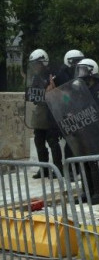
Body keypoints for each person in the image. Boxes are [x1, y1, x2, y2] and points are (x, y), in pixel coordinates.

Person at [73, 58, 99, 205]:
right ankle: (87, 192)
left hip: (95, 130)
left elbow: (97, 110)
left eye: (84, 70)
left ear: (92, 72)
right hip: (84, 130)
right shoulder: (84, 90)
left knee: (94, 162)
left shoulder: (98, 90)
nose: (81, 74)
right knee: (85, 162)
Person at [27, 49, 62, 178]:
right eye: (33, 64)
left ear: (43, 62)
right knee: (39, 141)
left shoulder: (53, 75)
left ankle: (58, 168)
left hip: (52, 113)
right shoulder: (36, 77)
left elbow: (62, 94)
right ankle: (44, 169)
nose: (35, 66)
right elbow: (32, 95)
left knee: (53, 141)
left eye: (37, 63)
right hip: (40, 113)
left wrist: (53, 90)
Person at [50, 49, 85, 166]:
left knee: (75, 141)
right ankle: (70, 169)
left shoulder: (76, 74)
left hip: (74, 110)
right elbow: (59, 93)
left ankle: (75, 168)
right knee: (70, 141)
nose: (78, 64)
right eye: (75, 62)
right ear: (69, 61)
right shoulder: (61, 75)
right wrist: (68, 100)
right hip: (64, 112)